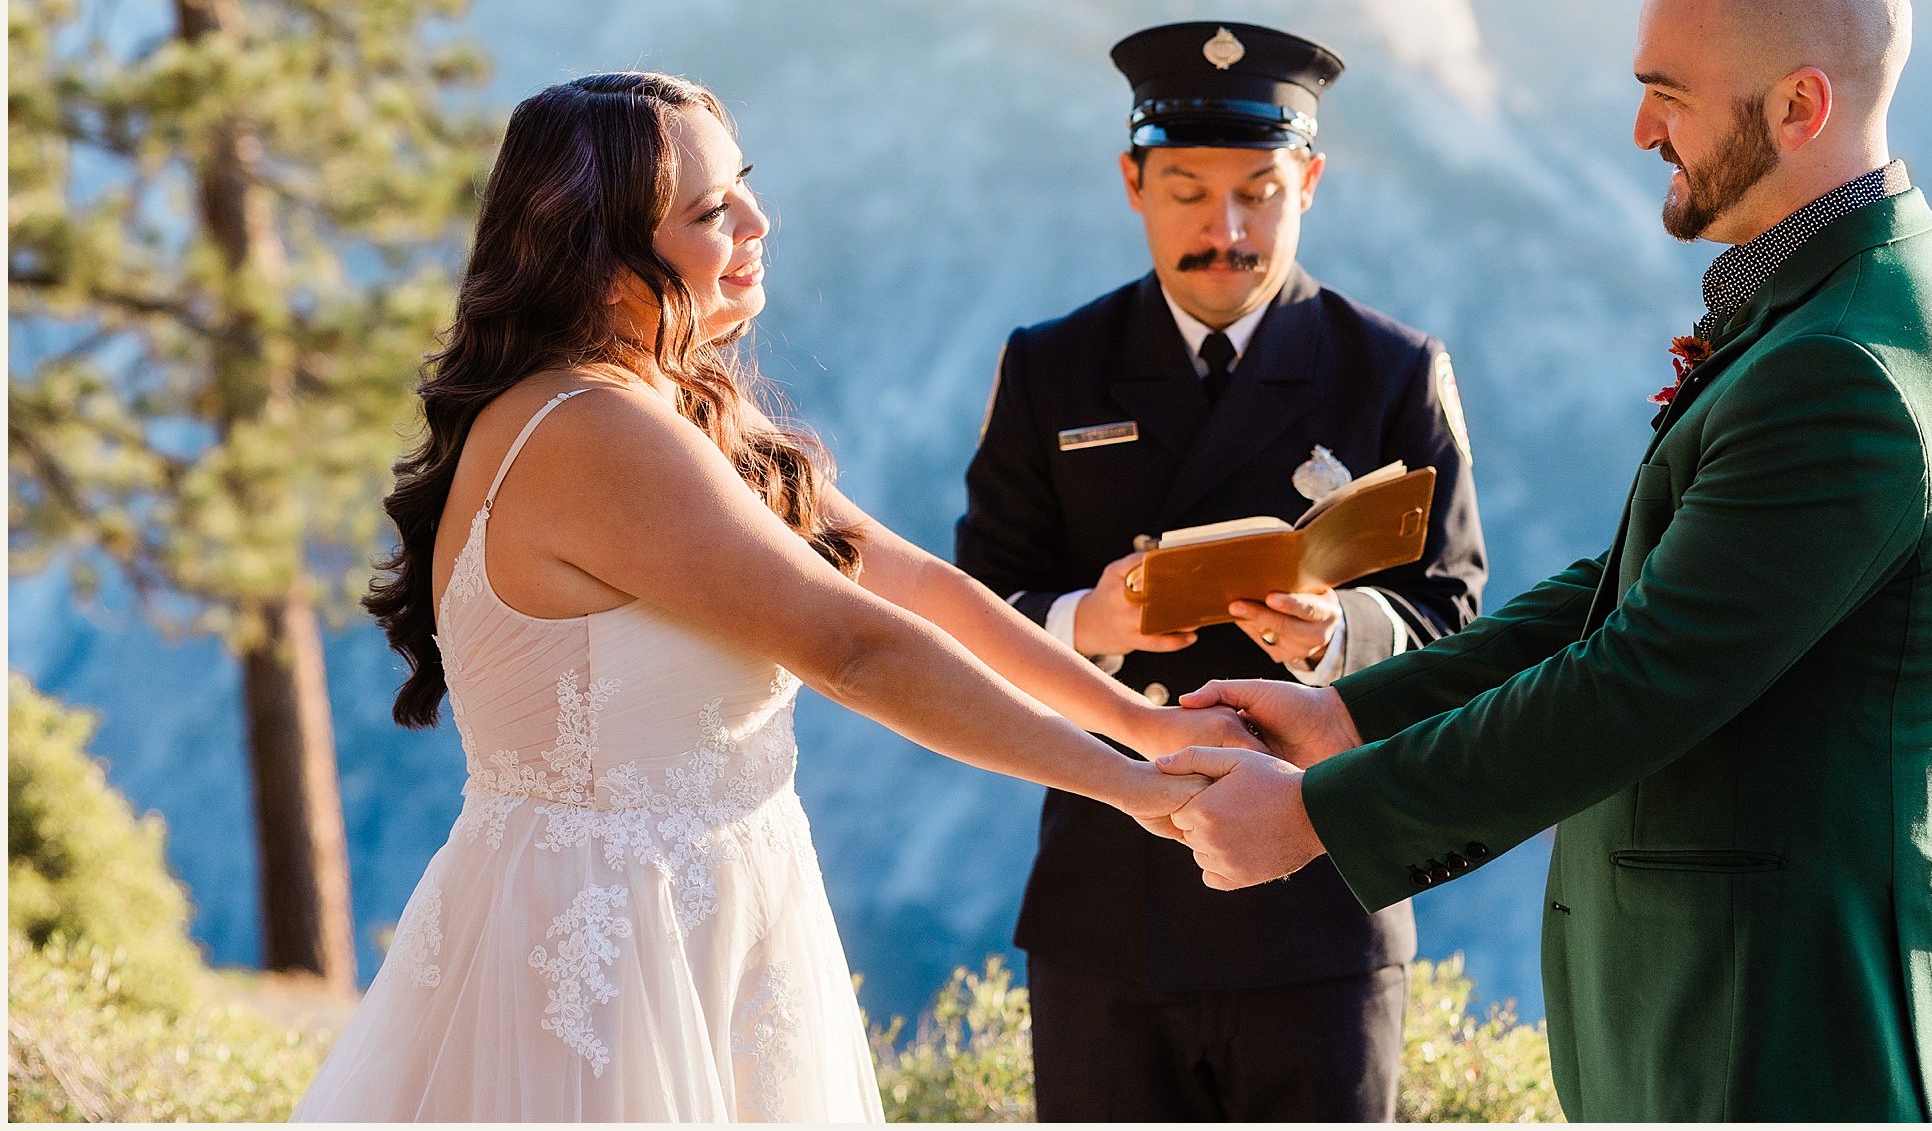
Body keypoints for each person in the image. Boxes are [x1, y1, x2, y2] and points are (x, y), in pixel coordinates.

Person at [1160, 0, 1932, 1122]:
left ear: (1799, 107)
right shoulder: (1821, 316)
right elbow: (1629, 585)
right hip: (1715, 1018)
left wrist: (1319, 818)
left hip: (1787, 1030)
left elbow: (1643, 675)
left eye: (1668, 95)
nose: (1639, 131)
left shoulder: (1847, 372)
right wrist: (1347, 711)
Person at [294, 72, 1246, 1123]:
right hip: (610, 951)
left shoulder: (677, 402)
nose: (756, 220)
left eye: (742, 188)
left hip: (712, 922)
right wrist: (1132, 790)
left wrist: (1143, 725)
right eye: (709, 211)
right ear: (599, 262)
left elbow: (916, 584)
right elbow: (856, 648)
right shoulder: (591, 429)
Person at [955, 22, 1488, 1121]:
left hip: (1320, 897)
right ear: (1133, 182)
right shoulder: (1052, 365)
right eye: (1189, 189)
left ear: (1312, 182)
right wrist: (1085, 620)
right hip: (1110, 897)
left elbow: (1456, 623)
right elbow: (970, 611)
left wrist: (1332, 633)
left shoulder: (1390, 369)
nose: (1226, 227)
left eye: (1260, 189)